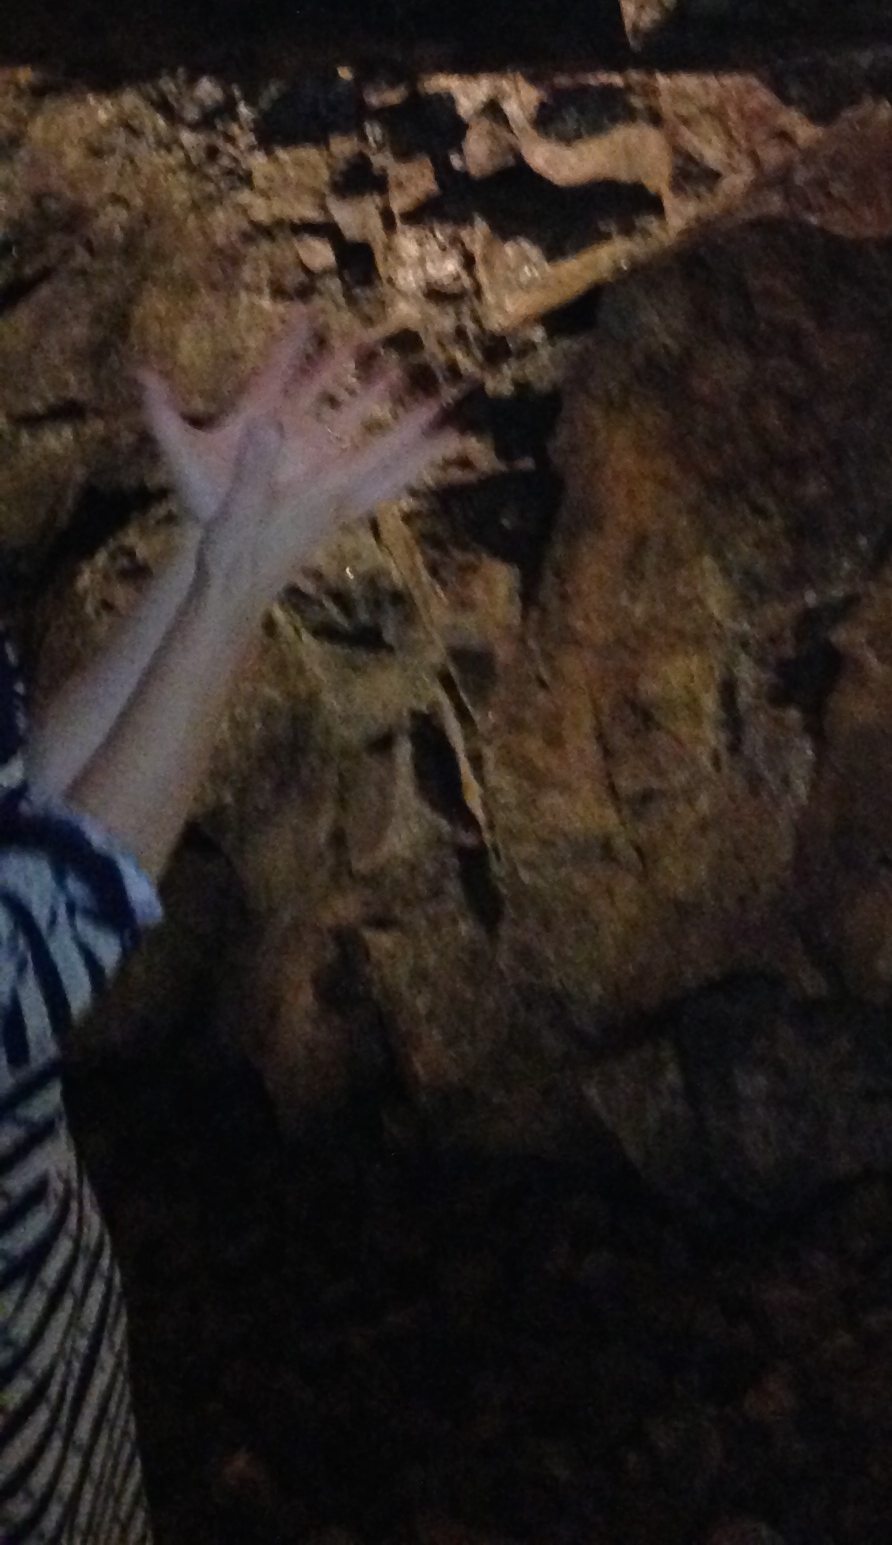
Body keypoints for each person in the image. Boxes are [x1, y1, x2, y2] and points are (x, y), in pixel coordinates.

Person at [0, 320, 449, 1545]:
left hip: (53, 1350)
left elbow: (19, 817)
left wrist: (204, 562)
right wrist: (234, 586)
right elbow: (23, 963)